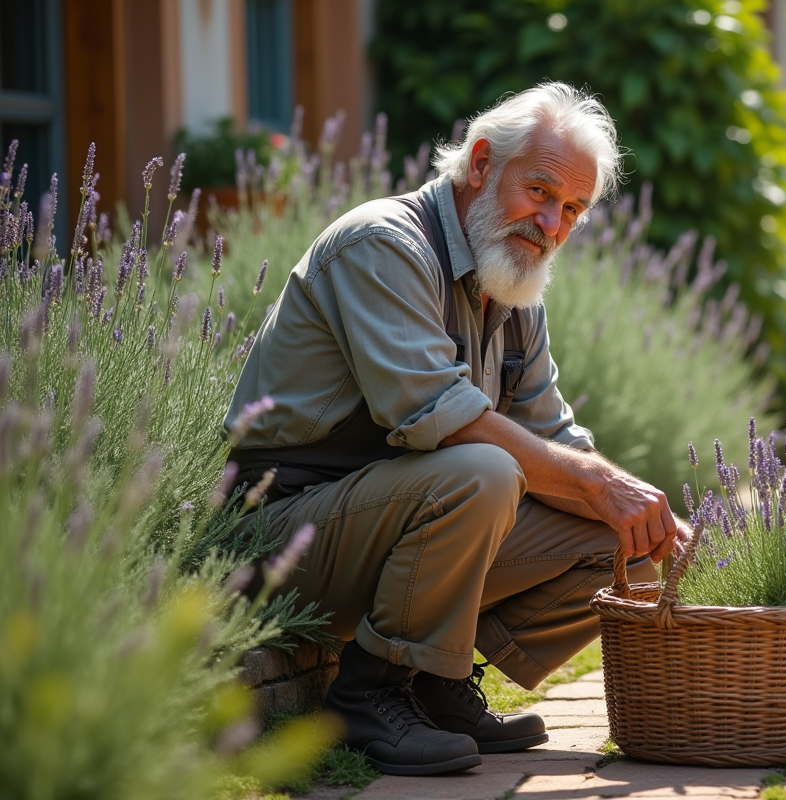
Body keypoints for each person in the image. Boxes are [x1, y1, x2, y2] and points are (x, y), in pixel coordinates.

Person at [223, 83, 684, 776]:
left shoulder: (514, 281)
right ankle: (368, 694)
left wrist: (626, 498)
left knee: (618, 532)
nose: (552, 224)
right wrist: (596, 482)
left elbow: (553, 433)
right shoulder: (382, 244)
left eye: (572, 209)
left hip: (389, 524)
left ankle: (434, 681)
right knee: (486, 472)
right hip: (281, 536)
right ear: (478, 164)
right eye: (539, 191)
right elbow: (436, 419)